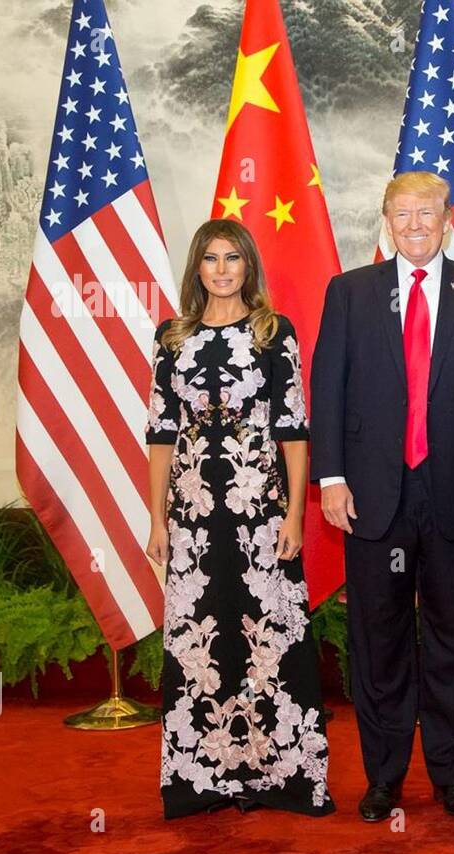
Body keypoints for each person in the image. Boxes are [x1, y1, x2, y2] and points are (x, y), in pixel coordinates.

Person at [309, 172, 454, 822]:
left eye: (426, 213)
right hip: (372, 495)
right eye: (402, 214)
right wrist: (331, 477)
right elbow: (329, 389)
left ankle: (453, 776)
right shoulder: (350, 293)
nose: (415, 224)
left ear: (447, 220)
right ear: (387, 222)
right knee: (380, 641)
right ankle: (385, 776)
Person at [145, 219, 333, 819]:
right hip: (195, 519)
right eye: (210, 258)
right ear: (197, 268)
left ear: (248, 266)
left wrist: (295, 516)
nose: (222, 269)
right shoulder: (171, 338)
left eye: (233, 258)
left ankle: (284, 777)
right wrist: (157, 522)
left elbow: (295, 431)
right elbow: (161, 436)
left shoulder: (274, 335)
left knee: (270, 638)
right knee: (200, 638)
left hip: (261, 513)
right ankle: (203, 779)